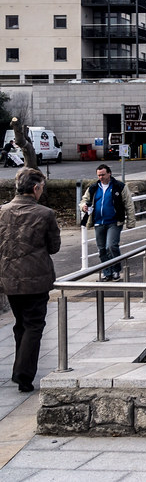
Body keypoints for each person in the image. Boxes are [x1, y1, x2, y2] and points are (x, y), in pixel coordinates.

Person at [0, 168, 61, 392]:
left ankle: (20, 368)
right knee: (34, 325)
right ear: (35, 188)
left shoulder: (2, 211)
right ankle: (23, 375)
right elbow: (54, 247)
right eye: (41, 188)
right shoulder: (45, 214)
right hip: (36, 279)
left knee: (20, 324)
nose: (42, 191)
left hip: (10, 279)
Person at [80, 164, 136, 282]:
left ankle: (116, 270)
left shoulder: (119, 186)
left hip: (114, 222)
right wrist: (83, 207)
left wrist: (131, 221)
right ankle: (107, 273)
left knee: (111, 246)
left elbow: (129, 204)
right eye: (99, 175)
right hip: (98, 222)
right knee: (102, 249)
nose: (100, 177)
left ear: (109, 173)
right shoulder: (93, 187)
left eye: (103, 175)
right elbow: (84, 200)